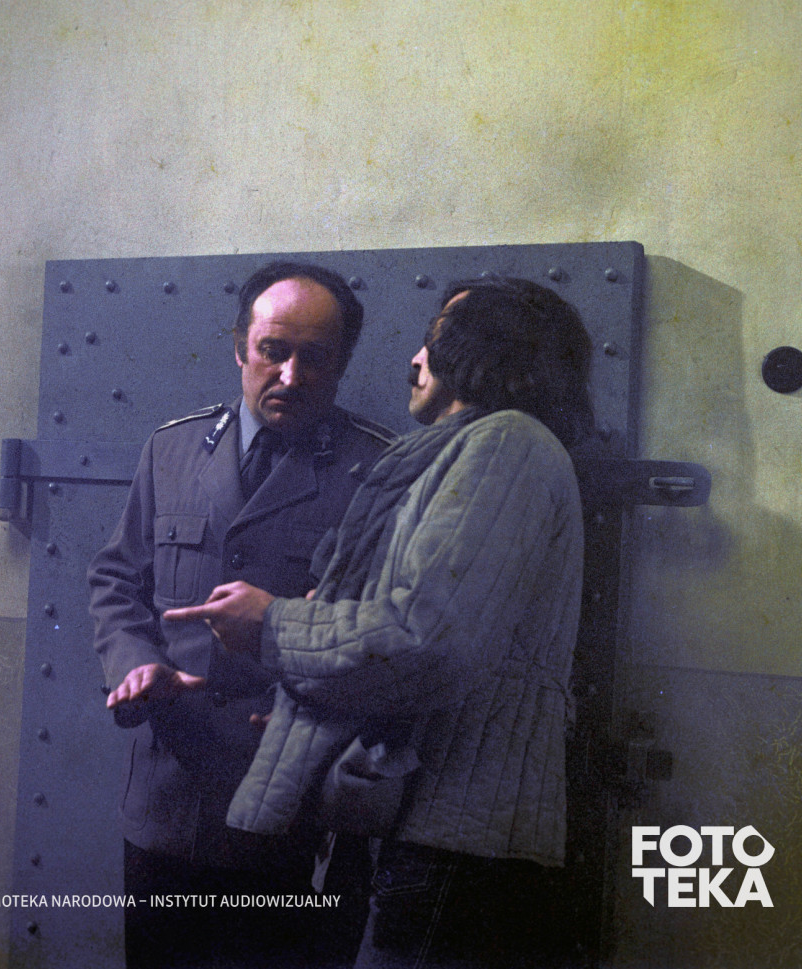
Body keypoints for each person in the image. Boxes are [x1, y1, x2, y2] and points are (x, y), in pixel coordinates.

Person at [162, 275, 596, 968]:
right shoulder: (472, 450)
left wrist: (272, 626)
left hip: (448, 842)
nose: (416, 359)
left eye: (436, 340)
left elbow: (424, 642)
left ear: (481, 352)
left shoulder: (504, 445)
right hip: (434, 831)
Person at [88, 260, 394, 969]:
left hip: (291, 810)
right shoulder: (171, 449)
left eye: (314, 358)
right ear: (239, 347)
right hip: (168, 798)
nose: (290, 375)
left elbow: (389, 633)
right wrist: (136, 663)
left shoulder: (377, 470)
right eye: (272, 350)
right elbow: (116, 578)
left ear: (342, 363)